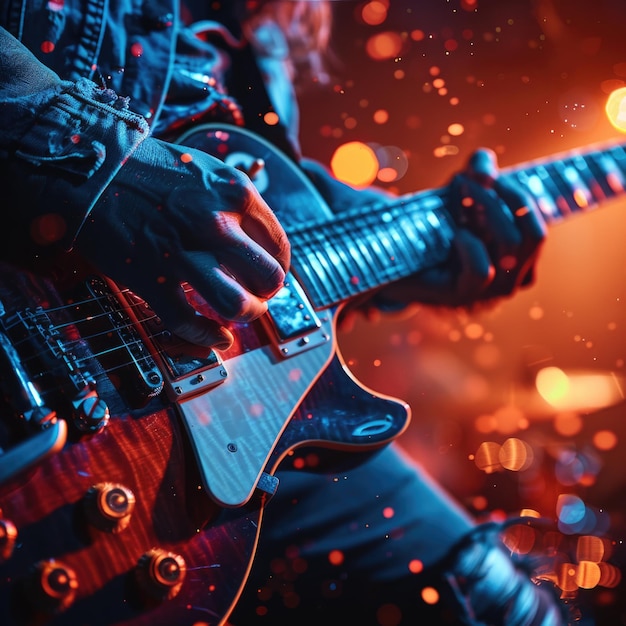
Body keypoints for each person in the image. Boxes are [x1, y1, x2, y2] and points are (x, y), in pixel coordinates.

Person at [0, 1, 566, 624]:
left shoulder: (263, 32)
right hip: (40, 347)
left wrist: (430, 260)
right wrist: (104, 167)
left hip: (231, 415)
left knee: (504, 608)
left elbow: (279, 255)